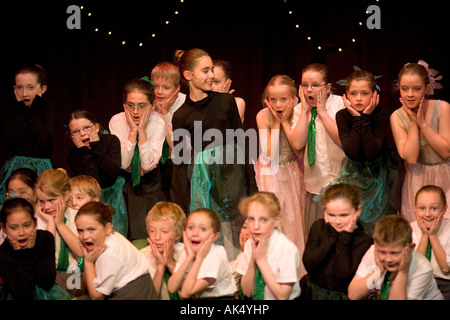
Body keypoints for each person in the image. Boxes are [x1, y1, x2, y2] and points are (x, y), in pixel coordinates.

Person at [172, 48, 258, 261]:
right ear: (188, 76)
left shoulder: (226, 102)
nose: (211, 75)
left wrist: (253, 188)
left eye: (212, 70)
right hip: (206, 185)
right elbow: (181, 164)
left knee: (240, 241)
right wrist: (185, 205)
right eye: (205, 70)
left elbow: (242, 144)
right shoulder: (181, 116)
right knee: (213, 240)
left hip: (234, 178)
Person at [335, 70, 402, 234]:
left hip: (380, 174)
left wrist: (364, 118)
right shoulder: (342, 116)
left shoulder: (381, 114)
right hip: (354, 174)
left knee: (380, 224)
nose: (358, 98)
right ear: (346, 96)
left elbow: (371, 152)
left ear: (374, 95)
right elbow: (353, 152)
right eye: (353, 93)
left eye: (364, 93)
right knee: (354, 221)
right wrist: (357, 118)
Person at [254, 75, 306, 269]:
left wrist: (286, 122)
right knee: (275, 221)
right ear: (266, 100)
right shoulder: (263, 116)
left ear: (293, 99)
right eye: (273, 99)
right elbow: (269, 153)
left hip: (293, 172)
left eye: (283, 99)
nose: (278, 104)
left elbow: (298, 148)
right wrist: (276, 123)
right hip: (271, 174)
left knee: (294, 221)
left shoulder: (299, 114)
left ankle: (294, 272)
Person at [289, 63, 345, 237]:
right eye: (305, 85)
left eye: (315, 85)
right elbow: (297, 144)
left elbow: (343, 140)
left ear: (327, 88)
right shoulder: (299, 110)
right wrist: (306, 111)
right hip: (315, 184)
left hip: (342, 180)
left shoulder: (340, 105)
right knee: (318, 238)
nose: (309, 90)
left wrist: (321, 111)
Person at [390, 60, 450, 222]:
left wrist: (422, 123)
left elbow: (445, 151)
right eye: (404, 89)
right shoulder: (396, 117)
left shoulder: (442, 107)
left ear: (426, 89)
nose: (410, 94)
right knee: (417, 231)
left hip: (444, 178)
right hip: (416, 181)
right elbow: (410, 157)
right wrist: (412, 124)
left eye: (416, 89)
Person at [109, 79, 166, 240]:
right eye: (130, 105)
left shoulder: (157, 123)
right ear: (124, 104)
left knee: (147, 235)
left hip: (150, 183)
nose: (135, 112)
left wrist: (143, 130)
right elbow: (124, 163)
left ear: (152, 105)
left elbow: (148, 165)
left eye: (142, 106)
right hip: (125, 183)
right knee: (124, 234)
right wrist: (133, 133)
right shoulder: (117, 121)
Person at [300, 183, 373, 300]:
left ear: (358, 210)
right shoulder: (319, 227)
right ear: (324, 210)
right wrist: (331, 238)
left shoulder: (364, 241)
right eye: (331, 215)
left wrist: (345, 237)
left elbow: (343, 274)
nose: (337, 221)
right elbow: (309, 265)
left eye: (344, 215)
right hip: (313, 293)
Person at [348, 215, 443, 300]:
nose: (388, 259)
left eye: (395, 253)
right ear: (376, 245)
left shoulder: (422, 267)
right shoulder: (374, 251)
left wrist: (403, 272)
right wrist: (378, 271)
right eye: (383, 252)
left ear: (410, 248)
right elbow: (353, 295)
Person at [75, 201, 158, 300]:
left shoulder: (110, 253)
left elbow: (96, 297)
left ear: (108, 228)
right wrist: (85, 260)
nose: (85, 236)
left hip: (134, 294)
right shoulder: (108, 239)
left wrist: (88, 262)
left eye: (91, 230)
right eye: (80, 231)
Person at [66, 110, 127, 236]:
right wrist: (85, 153)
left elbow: (111, 173)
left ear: (97, 127)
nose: (82, 133)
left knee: (114, 234)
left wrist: (96, 147)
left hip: (114, 195)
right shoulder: (74, 156)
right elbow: (94, 182)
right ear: (71, 136)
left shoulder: (111, 141)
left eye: (87, 128)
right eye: (76, 131)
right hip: (90, 200)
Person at [0, 64, 54, 205]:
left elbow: (45, 143)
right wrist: (22, 110)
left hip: (41, 169)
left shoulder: (47, 109)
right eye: (20, 87)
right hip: (16, 169)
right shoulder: (12, 110)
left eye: (30, 88)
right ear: (14, 89)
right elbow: (13, 142)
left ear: (42, 89)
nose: (24, 93)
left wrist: (32, 111)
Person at [0, 198, 70, 300]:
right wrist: (22, 256)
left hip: (47, 291)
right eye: (14, 228)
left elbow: (47, 283)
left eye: (27, 225)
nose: (21, 233)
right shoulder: (3, 253)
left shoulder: (46, 238)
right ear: (4, 228)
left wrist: (30, 252)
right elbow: (23, 294)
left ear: (35, 222)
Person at [237, 192, 301, 300]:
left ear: (276, 220)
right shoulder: (249, 244)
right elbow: (247, 291)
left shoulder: (287, 249)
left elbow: (282, 296)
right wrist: (252, 261)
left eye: (263, 220)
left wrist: (261, 261)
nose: (255, 226)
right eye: (251, 219)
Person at [34, 168, 87, 297]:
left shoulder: (78, 217)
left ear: (66, 195)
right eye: (41, 201)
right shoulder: (37, 221)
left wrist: (60, 224)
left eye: (51, 200)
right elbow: (45, 257)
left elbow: (80, 252)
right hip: (51, 275)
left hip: (75, 274)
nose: (46, 207)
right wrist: (51, 224)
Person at [167, 208, 237, 299]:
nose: (195, 233)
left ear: (215, 236)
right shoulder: (187, 252)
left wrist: (199, 259)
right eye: (191, 227)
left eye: (203, 229)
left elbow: (185, 293)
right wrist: (189, 258)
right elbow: (171, 288)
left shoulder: (216, 254)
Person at [150, 62, 186, 204]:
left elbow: (178, 147)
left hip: (178, 164)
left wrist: (165, 112)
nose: (159, 92)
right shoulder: (149, 102)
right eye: (155, 86)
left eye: (166, 88)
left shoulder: (184, 104)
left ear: (177, 89)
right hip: (157, 165)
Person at [140, 201, 186, 300]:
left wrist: (170, 263)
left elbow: (189, 291)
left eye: (164, 231)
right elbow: (149, 297)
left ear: (177, 234)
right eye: (152, 231)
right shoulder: (142, 257)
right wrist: (160, 267)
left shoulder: (185, 252)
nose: (157, 237)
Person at [411, 185, 450, 299]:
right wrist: (424, 236)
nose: (427, 214)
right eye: (422, 208)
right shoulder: (410, 229)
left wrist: (432, 236)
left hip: (445, 285)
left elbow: (446, 269)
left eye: (434, 208)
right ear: (415, 209)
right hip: (417, 282)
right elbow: (413, 268)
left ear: (444, 209)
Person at [0, 167, 38, 244]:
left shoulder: (44, 216)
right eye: (12, 193)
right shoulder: (6, 216)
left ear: (35, 191)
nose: (16, 197)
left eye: (22, 192)